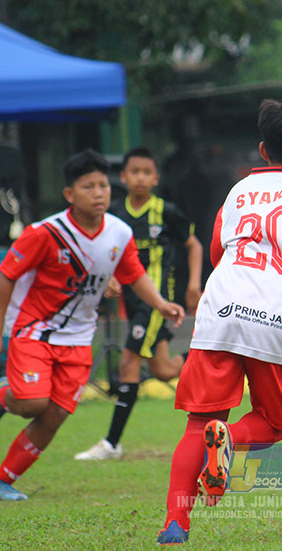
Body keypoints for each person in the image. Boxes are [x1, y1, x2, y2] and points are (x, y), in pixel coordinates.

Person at [155, 98, 282, 545]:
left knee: (198, 424)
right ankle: (228, 438)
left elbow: (217, 255)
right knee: (273, 422)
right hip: (276, 321)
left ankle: (176, 522)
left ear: (263, 150)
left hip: (220, 314)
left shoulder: (236, 193)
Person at [0, 149, 184, 502]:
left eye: (104, 185)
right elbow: (8, 275)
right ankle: (3, 396)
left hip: (79, 339)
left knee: (54, 416)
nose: (99, 193)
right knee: (33, 403)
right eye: (88, 186)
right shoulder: (45, 233)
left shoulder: (119, 232)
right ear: (69, 194)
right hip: (34, 330)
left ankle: (0, 482)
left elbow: (133, 273)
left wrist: (161, 303)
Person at [75, 146, 203, 461]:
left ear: (156, 178)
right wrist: (108, 278)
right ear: (123, 176)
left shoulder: (167, 212)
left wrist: (194, 285)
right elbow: (106, 253)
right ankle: (210, 354)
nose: (141, 178)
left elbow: (193, 244)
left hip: (157, 301)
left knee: (128, 363)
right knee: (162, 370)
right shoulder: (115, 215)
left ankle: (111, 443)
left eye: (147, 172)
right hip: (133, 302)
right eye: (135, 172)